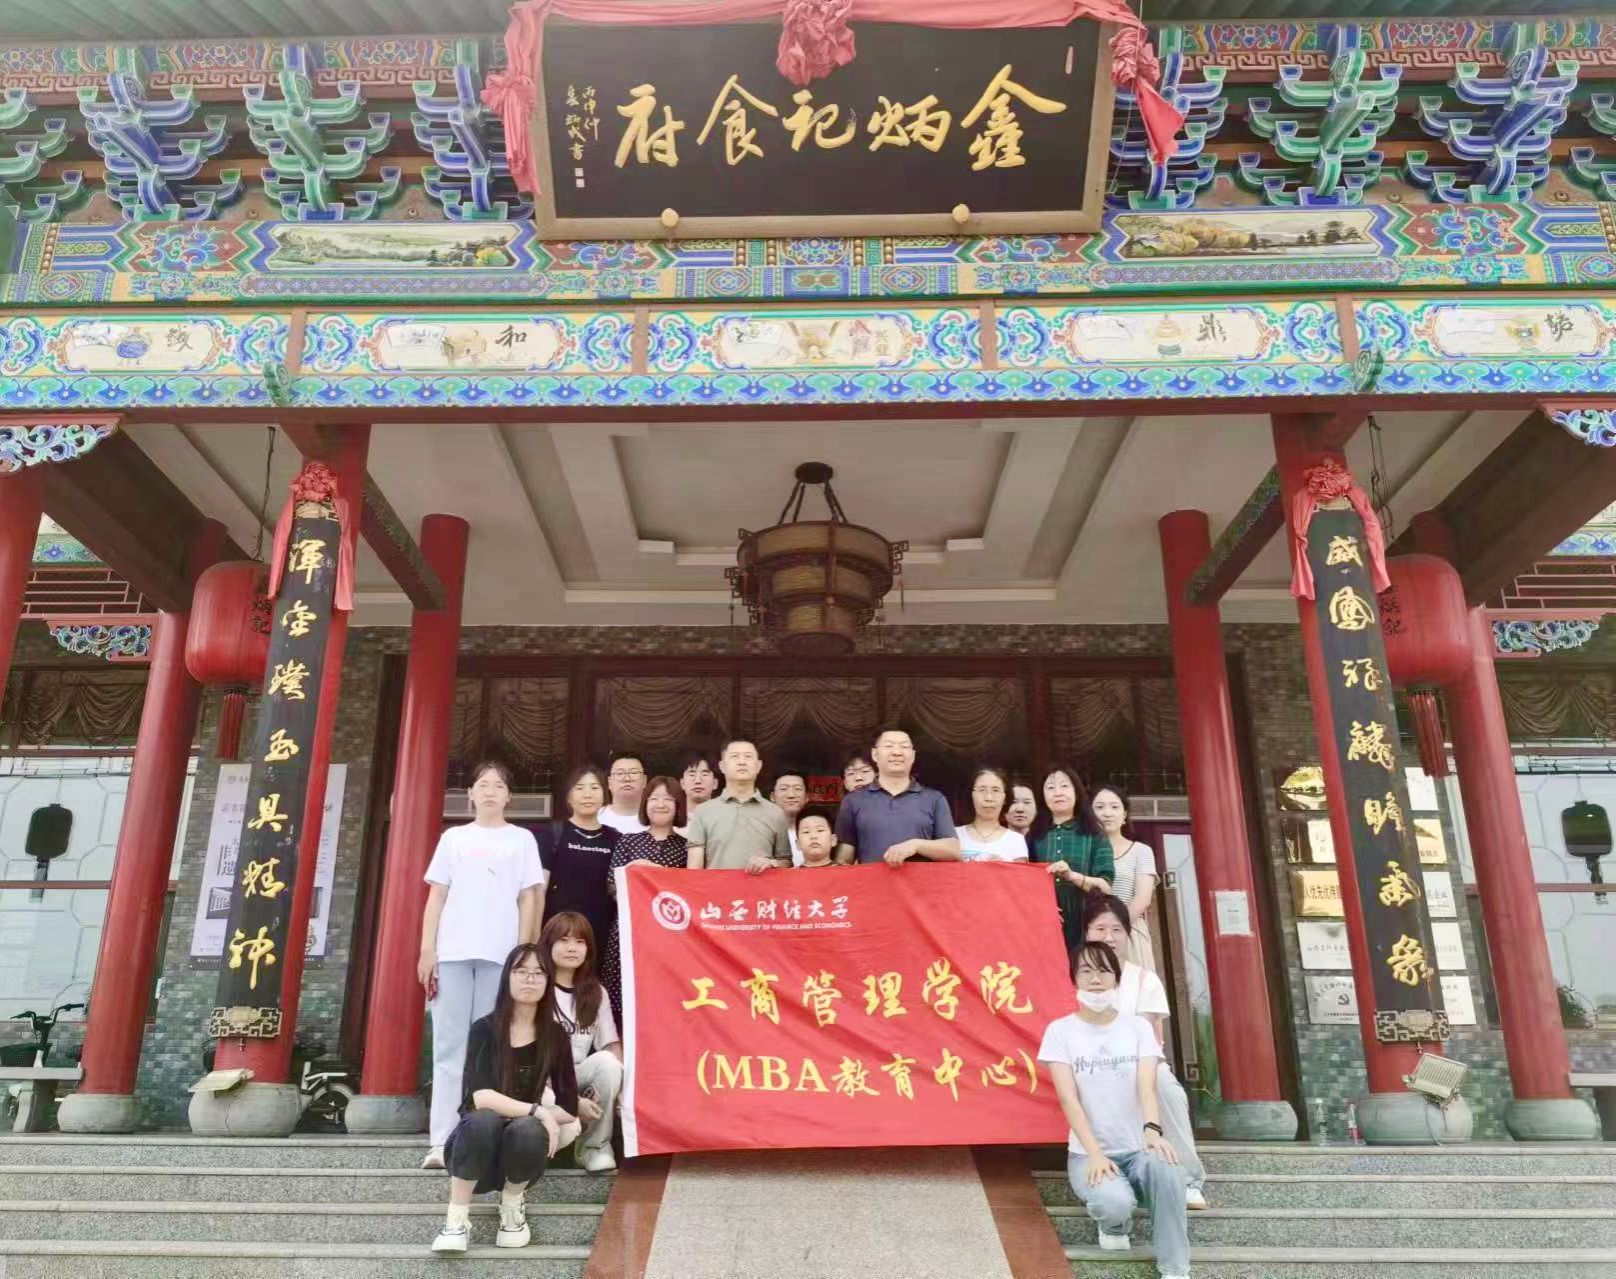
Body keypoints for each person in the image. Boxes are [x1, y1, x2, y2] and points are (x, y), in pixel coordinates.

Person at [419, 761, 545, 1171]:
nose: (490, 791)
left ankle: (480, 1135)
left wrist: (523, 953)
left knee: (491, 1048)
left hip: (501, 956)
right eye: (482, 785)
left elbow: (528, 897)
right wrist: (427, 950)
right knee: (448, 1047)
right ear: (470, 793)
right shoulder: (453, 838)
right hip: (453, 952)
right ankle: (441, 1141)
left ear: (509, 796)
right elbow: (437, 896)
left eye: (498, 786)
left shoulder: (522, 839)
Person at [1038, 940, 1190, 1279]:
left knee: (1168, 1170)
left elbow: (1147, 1087)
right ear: (1074, 979)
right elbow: (1069, 1099)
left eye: (1103, 971)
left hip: (1138, 1148)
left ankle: (1176, 1270)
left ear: (1116, 979)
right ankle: (1114, 1226)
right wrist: (1095, 1154)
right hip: (1088, 1153)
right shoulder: (1060, 1032)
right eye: (1086, 971)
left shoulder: (1137, 1027)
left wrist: (1153, 1131)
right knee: (1114, 1203)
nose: (1095, 979)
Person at [431, 943, 578, 1254]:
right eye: (521, 971)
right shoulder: (484, 1028)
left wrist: (536, 1116)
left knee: (527, 1128)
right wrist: (538, 1111)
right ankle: (456, 1220)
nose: (530, 979)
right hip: (474, 1145)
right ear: (507, 978)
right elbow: (482, 1097)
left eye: (539, 973)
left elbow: (569, 1107)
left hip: (520, 1149)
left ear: (548, 981)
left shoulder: (556, 1036)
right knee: (484, 1120)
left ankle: (512, 1207)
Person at [1084, 895, 1208, 1209]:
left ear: (1128, 935)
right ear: (1086, 933)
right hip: (1090, 1067)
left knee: (1165, 1086)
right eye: (1100, 929)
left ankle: (1188, 1180)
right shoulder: (1076, 980)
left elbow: (1149, 1040)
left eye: (1117, 930)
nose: (1109, 937)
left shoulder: (1144, 980)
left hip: (1141, 1064)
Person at [540, 913, 623, 1173]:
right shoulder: (537, 987)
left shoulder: (596, 993)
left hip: (576, 1073)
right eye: (564, 940)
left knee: (608, 1064)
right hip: (540, 1079)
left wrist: (622, 1089)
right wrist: (572, 1101)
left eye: (580, 941)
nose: (572, 948)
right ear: (548, 944)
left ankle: (594, 1147)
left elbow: (611, 1046)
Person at [600, 776, 688, 1022]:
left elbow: (689, 889)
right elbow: (612, 884)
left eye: (668, 799)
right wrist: (634, 874)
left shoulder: (686, 847)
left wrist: (654, 872)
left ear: (678, 806)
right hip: (630, 929)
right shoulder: (628, 841)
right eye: (653, 798)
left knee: (662, 1001)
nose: (660, 804)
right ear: (645, 804)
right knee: (622, 999)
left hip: (669, 934)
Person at [835, 727, 961, 865]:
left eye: (904, 747)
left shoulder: (934, 799)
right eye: (889, 746)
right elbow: (843, 859)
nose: (897, 752)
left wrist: (916, 845)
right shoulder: (853, 800)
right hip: (872, 879)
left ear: (913, 756)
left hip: (921, 880)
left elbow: (953, 851)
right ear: (875, 754)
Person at [1032, 764, 1113, 954]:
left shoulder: (1094, 834)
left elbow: (1106, 887)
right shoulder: (1034, 836)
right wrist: (1044, 907)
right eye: (1050, 787)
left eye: (1064, 786)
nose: (1057, 792)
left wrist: (1072, 876)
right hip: (1044, 925)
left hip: (1086, 921)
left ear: (1076, 791)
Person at [542, 765, 619, 956]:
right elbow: (539, 890)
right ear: (568, 797)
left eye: (594, 788)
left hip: (600, 932)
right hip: (559, 931)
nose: (587, 794)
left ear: (604, 796)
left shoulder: (616, 839)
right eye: (579, 788)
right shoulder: (553, 833)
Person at [686, 740, 792, 872]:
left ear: (758, 766)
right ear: (722, 766)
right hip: (716, 886)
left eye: (748, 756)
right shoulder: (703, 811)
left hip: (761, 886)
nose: (742, 762)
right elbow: (694, 870)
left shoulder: (775, 812)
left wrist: (771, 863)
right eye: (735, 756)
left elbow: (786, 862)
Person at [1094, 784, 1160, 973]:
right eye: (1099, 807)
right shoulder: (1086, 852)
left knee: (1134, 988)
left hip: (1130, 932)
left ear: (1124, 815)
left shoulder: (1141, 851)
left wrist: (1113, 930)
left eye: (1114, 807)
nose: (1107, 813)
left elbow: (1143, 899)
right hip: (1091, 937)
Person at [955, 766, 1029, 862]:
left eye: (995, 790)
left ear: (1005, 798)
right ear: (971, 795)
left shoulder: (1016, 840)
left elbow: (1021, 872)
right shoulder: (954, 836)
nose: (989, 798)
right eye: (982, 790)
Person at [600, 753, 647, 836]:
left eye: (634, 773)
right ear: (609, 782)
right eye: (620, 773)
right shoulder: (595, 818)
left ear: (644, 780)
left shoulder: (656, 819)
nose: (627, 779)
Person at [676, 751, 718, 837]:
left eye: (705, 774)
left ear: (715, 783)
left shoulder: (725, 819)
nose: (698, 780)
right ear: (682, 783)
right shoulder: (671, 822)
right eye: (692, 774)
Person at [771, 771, 809, 864]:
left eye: (797, 789)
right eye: (784, 789)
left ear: (807, 797)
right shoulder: (765, 831)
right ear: (772, 797)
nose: (791, 795)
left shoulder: (817, 832)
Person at [795, 804, 839, 868]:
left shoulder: (847, 872)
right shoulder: (790, 873)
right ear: (798, 844)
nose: (813, 836)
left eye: (820, 830)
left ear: (833, 840)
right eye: (806, 832)